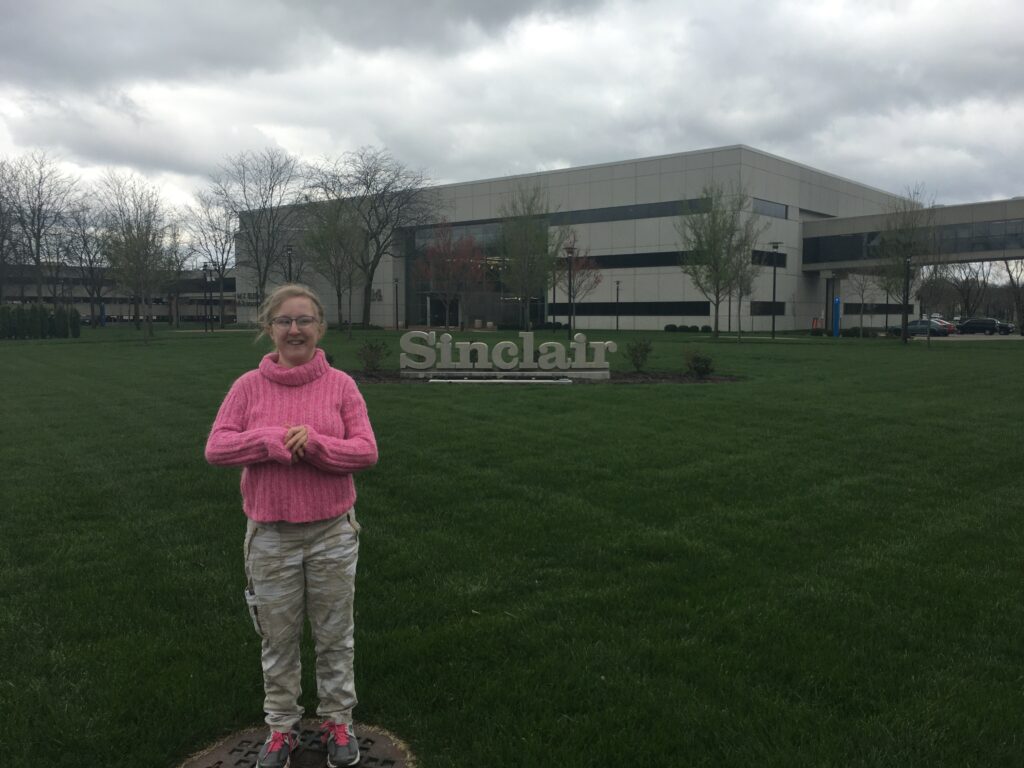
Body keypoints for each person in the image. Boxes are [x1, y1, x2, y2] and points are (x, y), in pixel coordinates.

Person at [205, 283, 378, 768]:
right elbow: (217, 447)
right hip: (270, 536)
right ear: (269, 329)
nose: (294, 329)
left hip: (332, 533)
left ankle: (338, 720)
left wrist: (319, 446)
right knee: (277, 639)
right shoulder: (247, 387)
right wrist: (268, 440)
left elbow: (366, 450)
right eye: (284, 321)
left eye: (304, 320)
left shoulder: (341, 385)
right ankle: (281, 729)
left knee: (334, 633)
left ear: (320, 327)